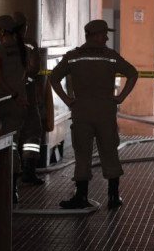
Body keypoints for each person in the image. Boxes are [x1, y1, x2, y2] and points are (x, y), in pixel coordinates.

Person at [50, 20, 139, 210]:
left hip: (81, 111)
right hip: (105, 112)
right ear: (94, 35)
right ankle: (113, 197)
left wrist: (68, 100)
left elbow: (53, 78)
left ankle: (81, 197)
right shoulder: (110, 57)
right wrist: (120, 97)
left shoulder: (73, 57)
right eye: (104, 34)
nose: (107, 37)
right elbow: (133, 73)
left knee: (82, 154)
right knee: (109, 152)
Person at [0, 14, 28, 202]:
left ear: (2, 31)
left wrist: (10, 92)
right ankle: (12, 191)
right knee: (12, 143)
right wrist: (17, 94)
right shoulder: (24, 49)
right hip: (19, 102)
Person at [12, 12, 45, 185]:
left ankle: (10, 173)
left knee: (11, 134)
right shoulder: (30, 44)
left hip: (8, 97)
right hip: (27, 96)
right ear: (24, 27)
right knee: (32, 133)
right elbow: (35, 69)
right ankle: (28, 171)